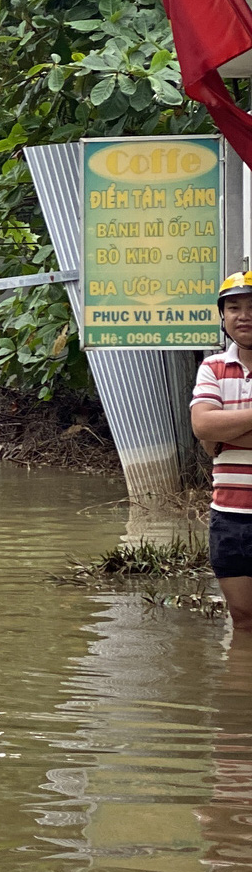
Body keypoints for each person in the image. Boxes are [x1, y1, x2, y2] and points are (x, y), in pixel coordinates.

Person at [192, 272, 252, 643]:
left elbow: (215, 431)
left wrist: (227, 431)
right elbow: (203, 426)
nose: (244, 315)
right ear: (223, 317)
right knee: (243, 620)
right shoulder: (212, 367)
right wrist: (214, 430)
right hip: (230, 517)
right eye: (234, 308)